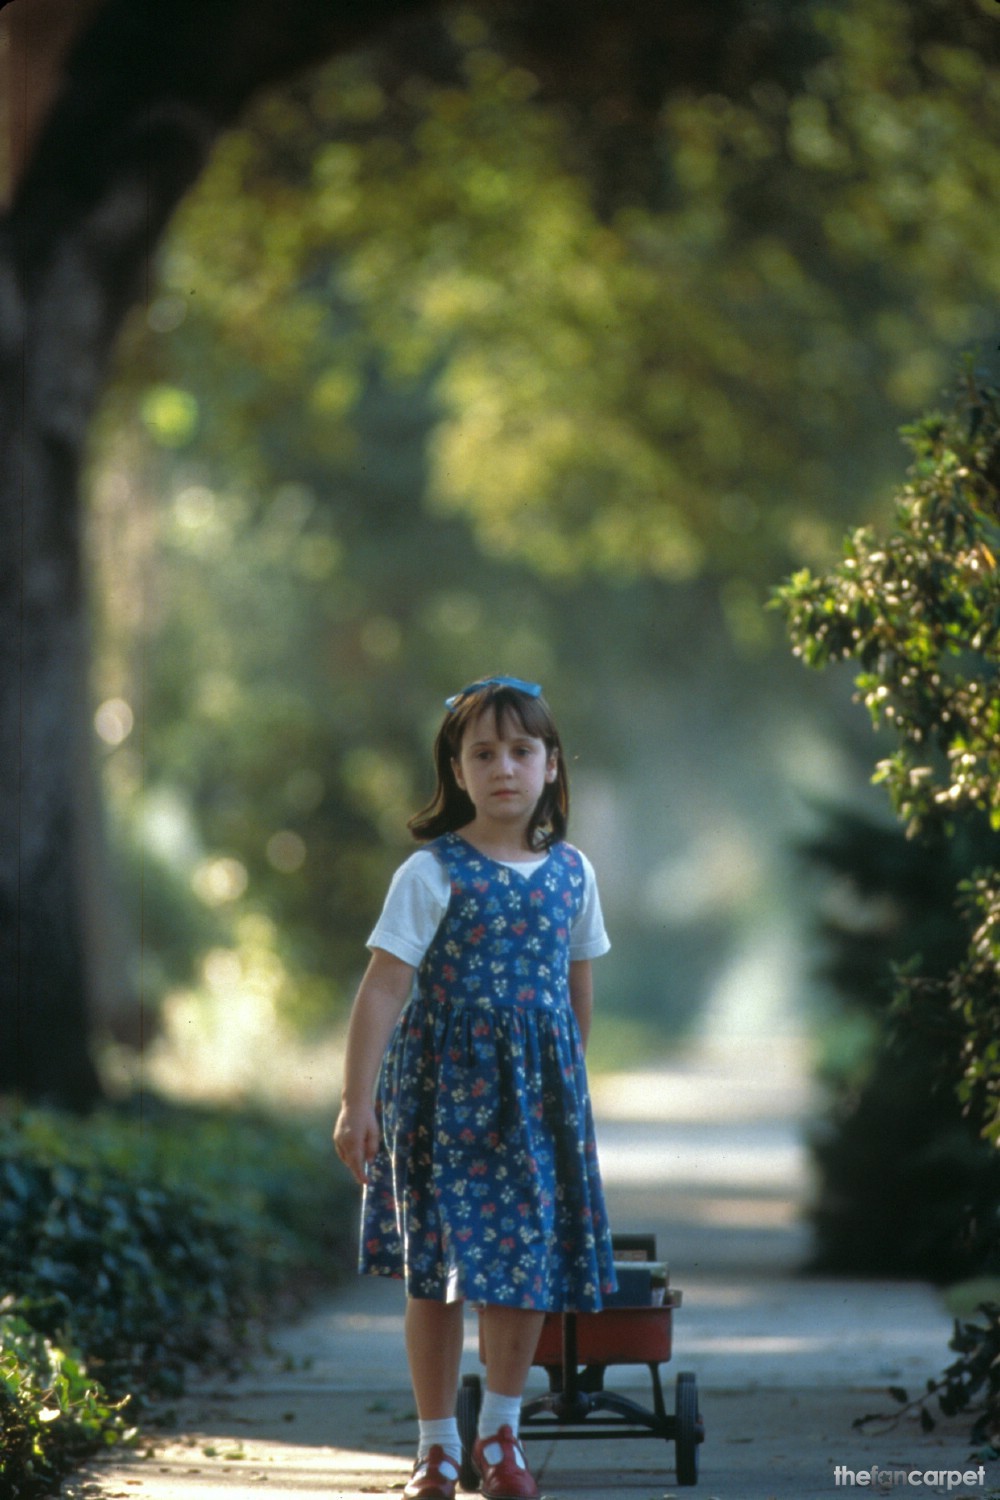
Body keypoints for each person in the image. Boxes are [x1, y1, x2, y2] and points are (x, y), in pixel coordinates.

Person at [333, 675, 617, 1500]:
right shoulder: (432, 873)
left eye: (521, 751)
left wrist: (570, 1091)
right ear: (456, 772)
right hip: (439, 1100)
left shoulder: (572, 874)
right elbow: (384, 988)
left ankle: (502, 1435)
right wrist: (360, 1101)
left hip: (535, 1107)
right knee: (439, 1270)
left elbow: (578, 990)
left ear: (552, 766)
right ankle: (435, 1448)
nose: (504, 768)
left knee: (522, 1267)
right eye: (483, 753)